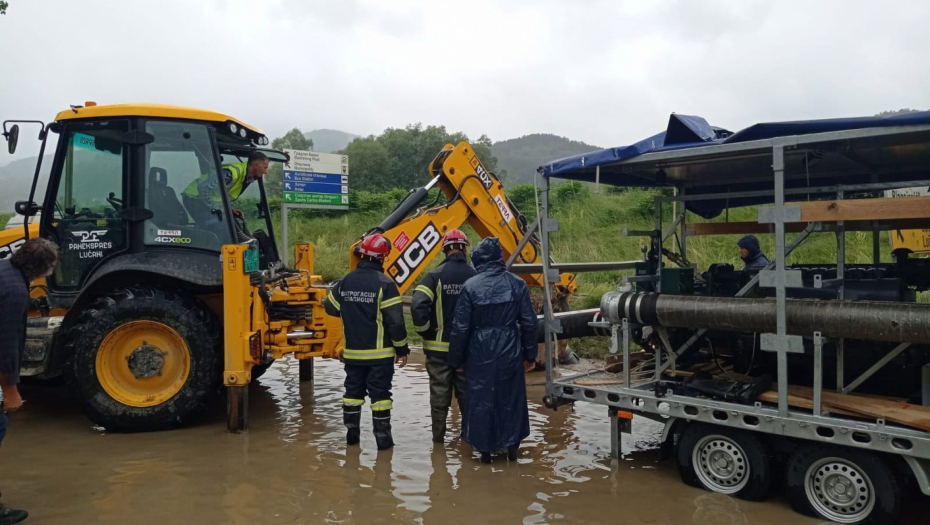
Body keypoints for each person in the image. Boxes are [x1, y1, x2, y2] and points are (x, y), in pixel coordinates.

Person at [447, 237, 537, 463]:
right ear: (499, 258)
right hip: (510, 346)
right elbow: (529, 323)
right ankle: (512, 449)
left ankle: (484, 452)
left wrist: (456, 360)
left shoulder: (470, 286)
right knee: (511, 396)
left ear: (478, 259)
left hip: (480, 349)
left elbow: (460, 328)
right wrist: (530, 355)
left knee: (481, 397)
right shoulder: (517, 284)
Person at [323, 233, 410, 450]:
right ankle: (383, 444)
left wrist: (351, 310)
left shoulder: (346, 281)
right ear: (382, 258)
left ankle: (352, 439)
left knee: (352, 394)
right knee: (380, 397)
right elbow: (396, 323)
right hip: (380, 357)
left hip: (353, 355)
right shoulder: (385, 284)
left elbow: (330, 307)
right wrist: (402, 349)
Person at [0, 238, 59, 525]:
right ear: (42, 268)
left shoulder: (4, 270)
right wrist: (11, 390)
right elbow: (7, 345)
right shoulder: (14, 292)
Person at [410, 229, 477, 443]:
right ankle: (469, 439)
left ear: (445, 250)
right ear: (464, 249)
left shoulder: (434, 276)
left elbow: (417, 304)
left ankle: (438, 442)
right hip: (467, 351)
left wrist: (426, 331)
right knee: (467, 396)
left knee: (439, 396)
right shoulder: (475, 276)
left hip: (438, 351)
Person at [182, 151, 270, 227]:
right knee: (217, 226)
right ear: (256, 165)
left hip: (204, 200)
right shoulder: (231, 173)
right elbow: (203, 188)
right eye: (265, 168)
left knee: (232, 225)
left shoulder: (246, 178)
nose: (265, 172)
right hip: (194, 197)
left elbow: (225, 196)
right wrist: (217, 209)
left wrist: (229, 210)